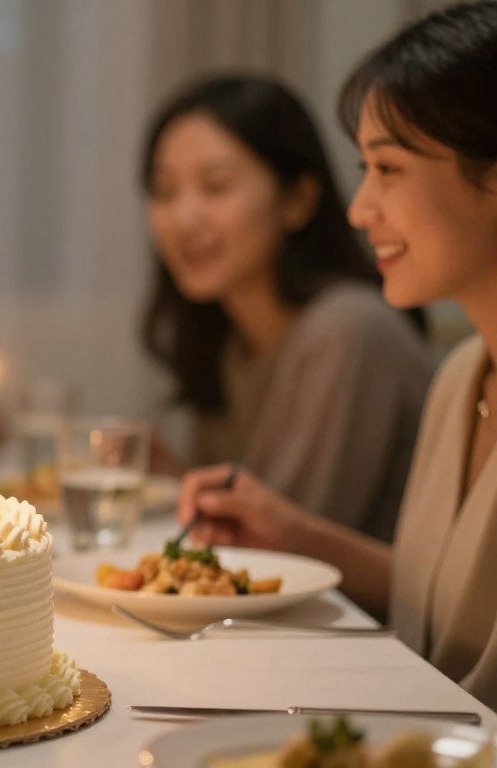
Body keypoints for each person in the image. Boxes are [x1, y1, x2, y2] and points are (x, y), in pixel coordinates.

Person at [177, 1, 497, 706]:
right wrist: (298, 534)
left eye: (388, 169)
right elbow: (437, 609)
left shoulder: (352, 331)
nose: (360, 209)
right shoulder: (461, 377)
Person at [142, 76, 432, 542]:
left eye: (215, 187)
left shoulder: (348, 329)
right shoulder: (229, 341)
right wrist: (174, 478)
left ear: (297, 199)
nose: (183, 218)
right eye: (164, 191)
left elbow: (279, 543)